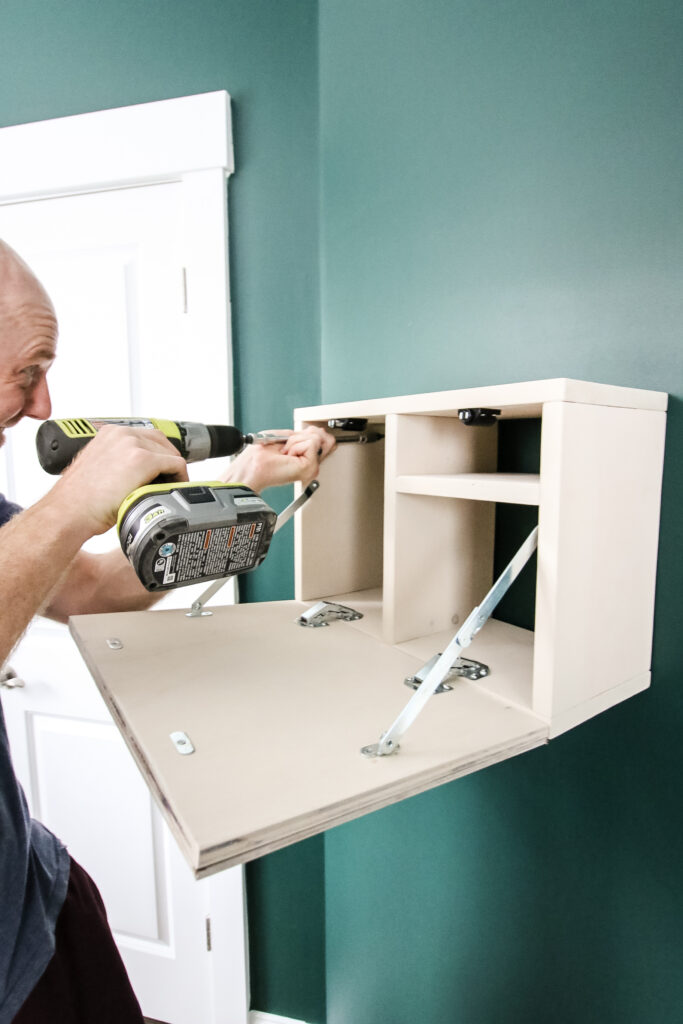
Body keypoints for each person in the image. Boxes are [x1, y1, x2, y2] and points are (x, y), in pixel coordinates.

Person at [0, 239, 334, 1024]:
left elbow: (87, 588)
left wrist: (242, 483)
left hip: (33, 896)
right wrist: (74, 501)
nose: (45, 404)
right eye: (27, 370)